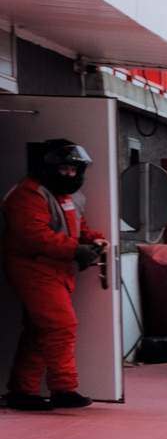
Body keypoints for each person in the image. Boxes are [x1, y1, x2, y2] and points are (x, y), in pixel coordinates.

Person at [5, 141, 104, 413]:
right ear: (48, 167)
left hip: (54, 268)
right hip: (32, 267)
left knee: (39, 331)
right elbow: (34, 235)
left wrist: (95, 240)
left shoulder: (68, 196)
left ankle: (22, 392)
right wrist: (76, 250)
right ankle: (63, 389)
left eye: (73, 169)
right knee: (61, 326)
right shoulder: (28, 195)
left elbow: (78, 228)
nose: (70, 175)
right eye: (64, 168)